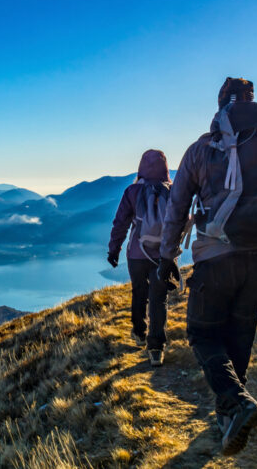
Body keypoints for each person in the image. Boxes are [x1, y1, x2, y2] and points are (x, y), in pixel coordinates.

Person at [156, 78, 257, 455]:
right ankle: (231, 419)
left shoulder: (203, 149)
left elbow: (177, 207)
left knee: (203, 335)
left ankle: (237, 406)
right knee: (239, 339)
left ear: (221, 108)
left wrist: (168, 256)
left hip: (215, 258)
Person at [107, 149, 171, 367]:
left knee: (139, 292)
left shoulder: (132, 191)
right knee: (158, 298)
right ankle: (156, 348)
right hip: (163, 254)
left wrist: (113, 250)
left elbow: (120, 223)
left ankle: (139, 332)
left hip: (137, 253)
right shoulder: (172, 191)